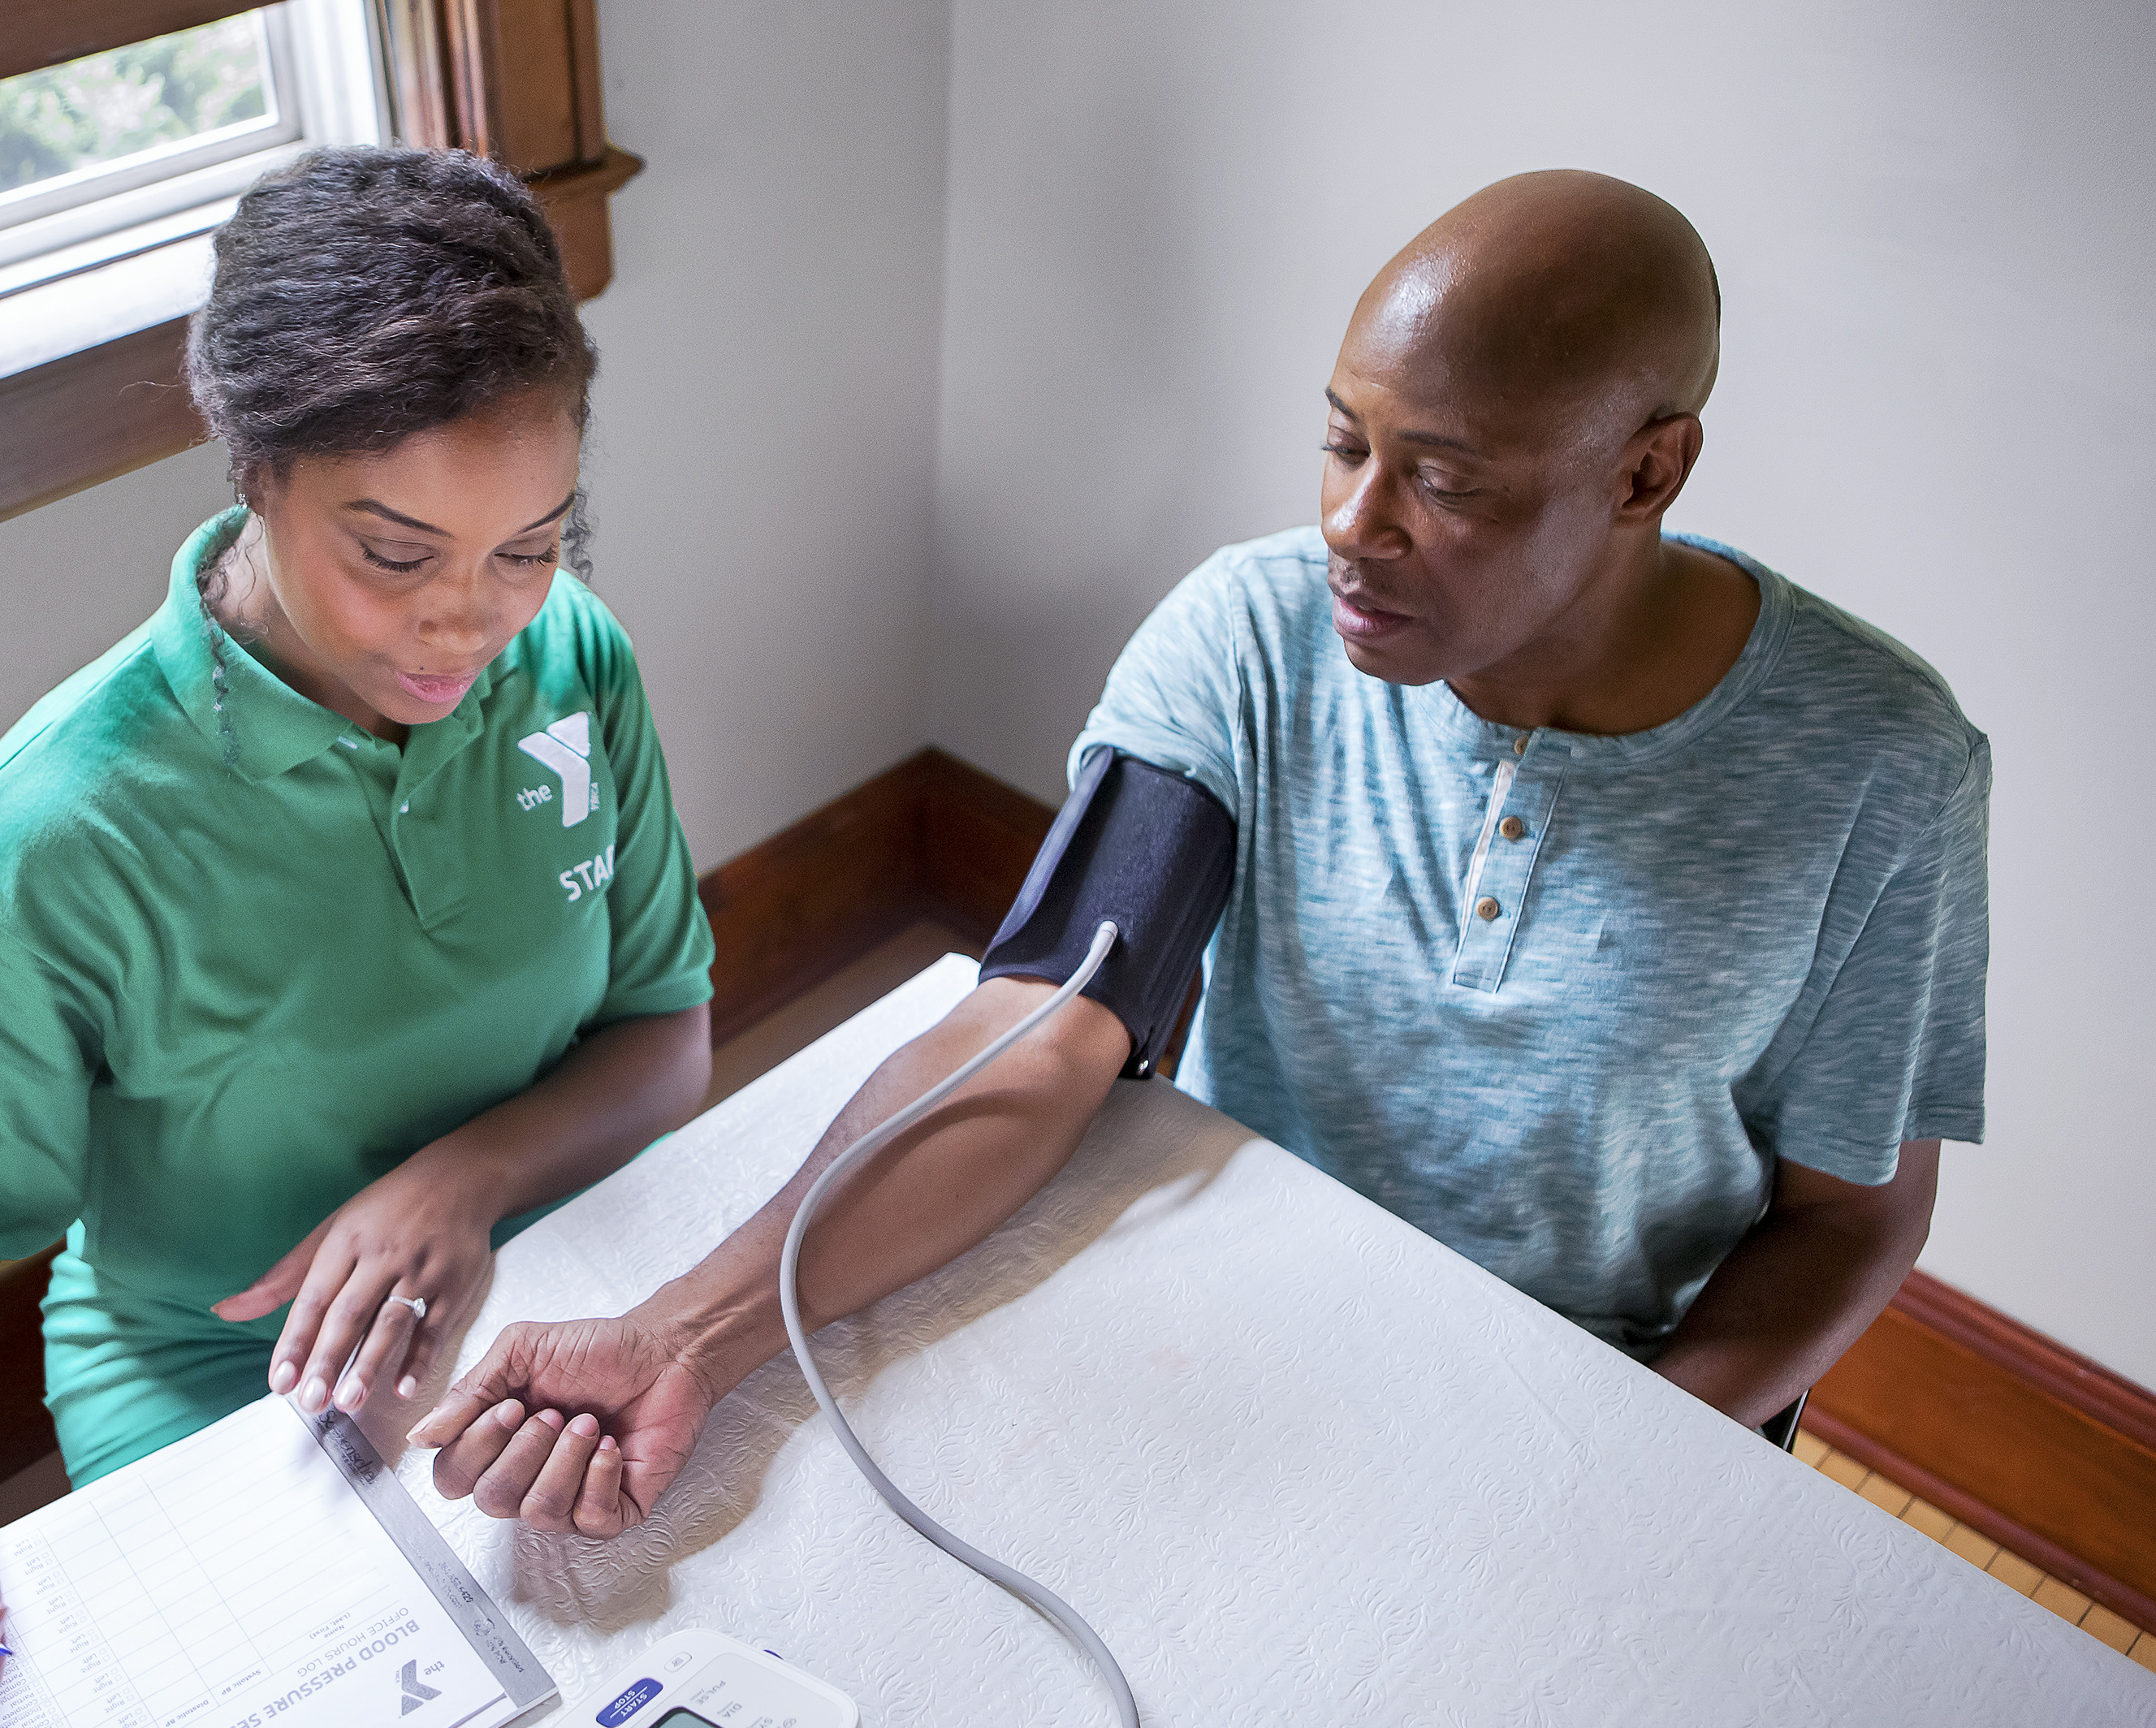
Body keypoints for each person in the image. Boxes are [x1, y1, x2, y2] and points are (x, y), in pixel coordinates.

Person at [409, 170, 1989, 1537]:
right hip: (1246, 1322)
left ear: (1647, 470)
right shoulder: (1254, 637)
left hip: (1604, 1402)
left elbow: (1851, 1220)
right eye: (1342, 442)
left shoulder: (1882, 767)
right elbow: (1033, 1026)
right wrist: (686, 1335)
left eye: (1441, 482)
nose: (1354, 527)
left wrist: (1619, 1471)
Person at [0, 146, 716, 1726]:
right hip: (229, 1380)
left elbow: (664, 1031)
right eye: (394, 553)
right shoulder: (55, 832)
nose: (474, 623)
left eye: (530, 541)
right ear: (252, 468)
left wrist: (459, 1181)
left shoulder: (573, 662)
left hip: (559, 1289)